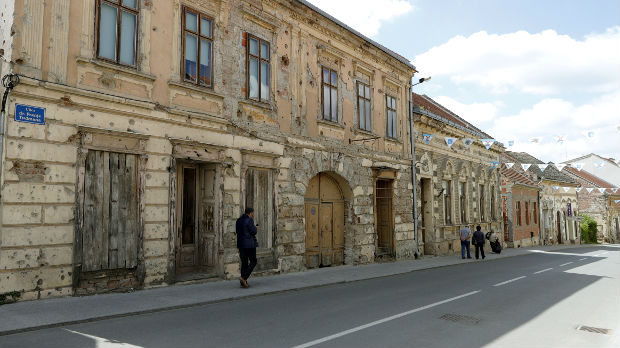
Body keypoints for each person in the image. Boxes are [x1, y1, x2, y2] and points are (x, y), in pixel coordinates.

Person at [236, 207, 258, 288]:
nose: (253, 214)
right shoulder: (249, 220)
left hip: (241, 244)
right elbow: (253, 232)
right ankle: (244, 278)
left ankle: (243, 283)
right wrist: (255, 228)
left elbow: (238, 232)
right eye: (253, 213)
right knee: (253, 261)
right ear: (250, 213)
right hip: (249, 245)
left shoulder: (238, 220)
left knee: (244, 263)